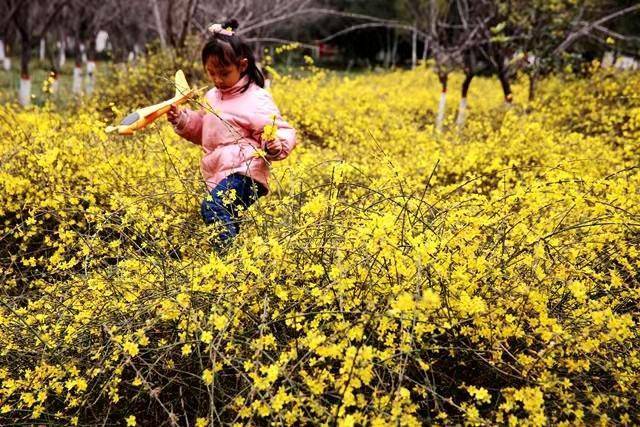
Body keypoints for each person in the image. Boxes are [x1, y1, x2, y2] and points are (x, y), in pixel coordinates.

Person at [167, 19, 296, 254]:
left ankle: (228, 264)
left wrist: (276, 144)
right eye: (211, 73)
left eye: (224, 73)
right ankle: (239, 270)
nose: (217, 79)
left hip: (247, 174)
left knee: (213, 207)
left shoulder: (256, 98)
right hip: (218, 173)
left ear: (242, 65)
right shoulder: (212, 96)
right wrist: (182, 119)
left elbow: (282, 131)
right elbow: (203, 130)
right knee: (226, 217)